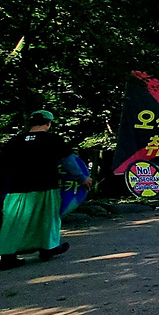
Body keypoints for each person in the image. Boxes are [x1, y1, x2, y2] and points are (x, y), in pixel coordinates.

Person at [0, 111, 92, 270]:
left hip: (17, 190)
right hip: (46, 187)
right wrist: (82, 178)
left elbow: (3, 167)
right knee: (48, 218)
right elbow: (68, 162)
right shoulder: (53, 140)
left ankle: (7, 257)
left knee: (13, 222)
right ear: (48, 123)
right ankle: (48, 248)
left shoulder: (14, 141)